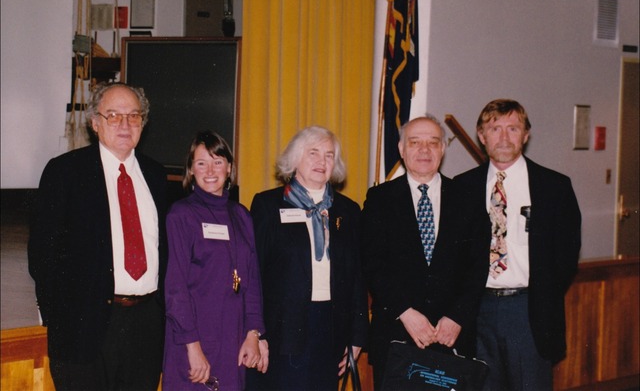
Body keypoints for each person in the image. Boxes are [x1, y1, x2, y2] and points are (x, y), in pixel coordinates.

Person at [28, 82, 167, 390]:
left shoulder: (157, 176)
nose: (124, 124)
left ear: (143, 122)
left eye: (133, 116)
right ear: (94, 122)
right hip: (83, 327)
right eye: (113, 115)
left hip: (145, 328)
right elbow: (42, 254)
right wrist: (58, 318)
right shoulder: (65, 172)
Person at [454, 99, 581, 391]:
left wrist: (538, 294)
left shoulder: (554, 187)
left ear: (526, 135)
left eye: (513, 128)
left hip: (528, 312)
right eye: (495, 128)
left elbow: (566, 256)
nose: (504, 137)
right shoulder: (461, 188)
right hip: (476, 311)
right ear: (481, 136)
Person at [361, 115, 489, 390]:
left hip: (452, 335)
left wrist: (457, 317)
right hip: (397, 332)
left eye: (433, 143)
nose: (424, 150)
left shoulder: (467, 198)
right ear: (401, 149)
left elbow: (478, 266)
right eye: (415, 142)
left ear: (442, 149)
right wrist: (405, 312)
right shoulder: (379, 199)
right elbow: (372, 264)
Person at [246, 125, 368, 391]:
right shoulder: (268, 205)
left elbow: (357, 276)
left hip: (331, 327)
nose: (321, 161)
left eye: (328, 155)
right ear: (295, 159)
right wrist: (257, 333)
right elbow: (253, 273)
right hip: (281, 329)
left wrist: (357, 336)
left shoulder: (347, 210)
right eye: (313, 153)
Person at [162, 130, 267, 391]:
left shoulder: (242, 215)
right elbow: (175, 288)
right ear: (191, 170)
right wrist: (193, 347)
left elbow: (252, 280)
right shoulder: (181, 215)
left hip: (233, 337)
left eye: (217, 162)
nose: (210, 170)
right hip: (192, 338)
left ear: (229, 168)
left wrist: (253, 334)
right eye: (201, 163)